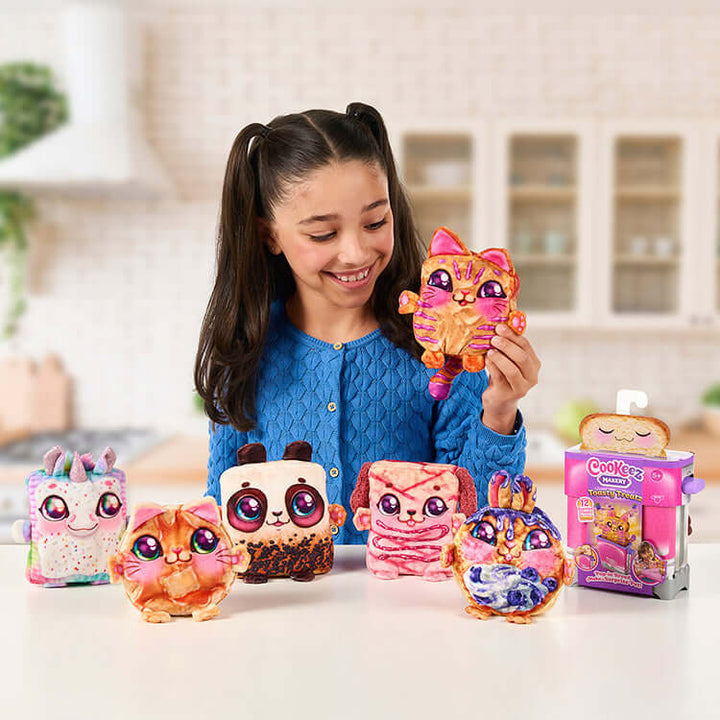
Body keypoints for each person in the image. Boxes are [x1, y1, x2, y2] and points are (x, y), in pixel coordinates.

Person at [195, 102, 541, 544]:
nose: (357, 253)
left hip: (409, 605)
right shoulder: (246, 350)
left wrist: (499, 409)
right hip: (285, 609)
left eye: (376, 221)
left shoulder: (441, 353)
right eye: (323, 234)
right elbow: (219, 517)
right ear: (270, 236)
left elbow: (478, 522)